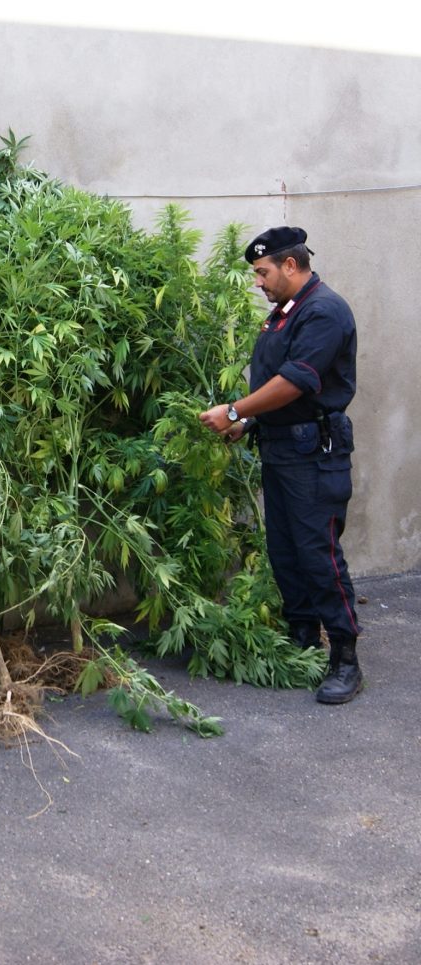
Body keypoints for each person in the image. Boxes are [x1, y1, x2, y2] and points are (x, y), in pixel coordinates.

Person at [198, 226, 361, 704]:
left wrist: (234, 411)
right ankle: (304, 640)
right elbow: (276, 392)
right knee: (286, 552)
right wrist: (247, 426)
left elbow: (296, 382)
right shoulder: (283, 316)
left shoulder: (323, 311)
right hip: (283, 449)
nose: (257, 281)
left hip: (315, 454)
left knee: (319, 553)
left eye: (262, 272)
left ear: (291, 265)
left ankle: (346, 659)